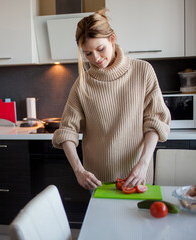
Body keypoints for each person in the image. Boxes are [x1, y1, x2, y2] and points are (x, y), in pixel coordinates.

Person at [52, 8, 171, 190]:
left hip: (138, 176)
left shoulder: (143, 71)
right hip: (99, 182)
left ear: (112, 39)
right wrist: (78, 170)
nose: (96, 58)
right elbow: (67, 130)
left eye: (100, 49)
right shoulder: (83, 83)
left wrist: (144, 164)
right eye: (88, 53)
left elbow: (155, 121)